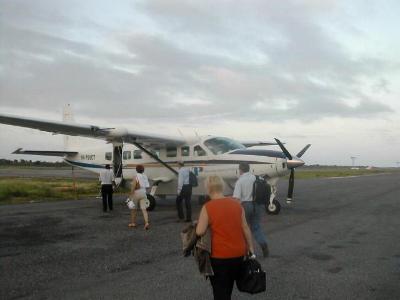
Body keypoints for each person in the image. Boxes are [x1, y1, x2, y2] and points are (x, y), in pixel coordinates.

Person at [196, 175, 255, 300]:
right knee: (228, 288)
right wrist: (251, 247)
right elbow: (245, 228)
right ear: (222, 187)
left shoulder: (208, 207)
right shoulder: (237, 205)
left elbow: (200, 231)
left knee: (220, 291)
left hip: (220, 256)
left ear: (208, 188)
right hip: (239, 254)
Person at [233, 162, 269, 258]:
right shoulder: (256, 178)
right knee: (256, 227)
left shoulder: (240, 181)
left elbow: (236, 198)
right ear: (248, 169)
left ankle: (247, 250)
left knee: (244, 228)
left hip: (246, 205)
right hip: (258, 204)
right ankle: (263, 243)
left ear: (240, 169)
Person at [129, 165, 150, 230]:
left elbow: (133, 186)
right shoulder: (145, 176)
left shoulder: (136, 176)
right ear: (143, 170)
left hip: (136, 193)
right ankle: (146, 223)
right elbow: (147, 186)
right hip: (143, 193)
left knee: (133, 209)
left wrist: (130, 195)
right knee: (144, 209)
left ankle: (133, 223)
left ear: (136, 170)